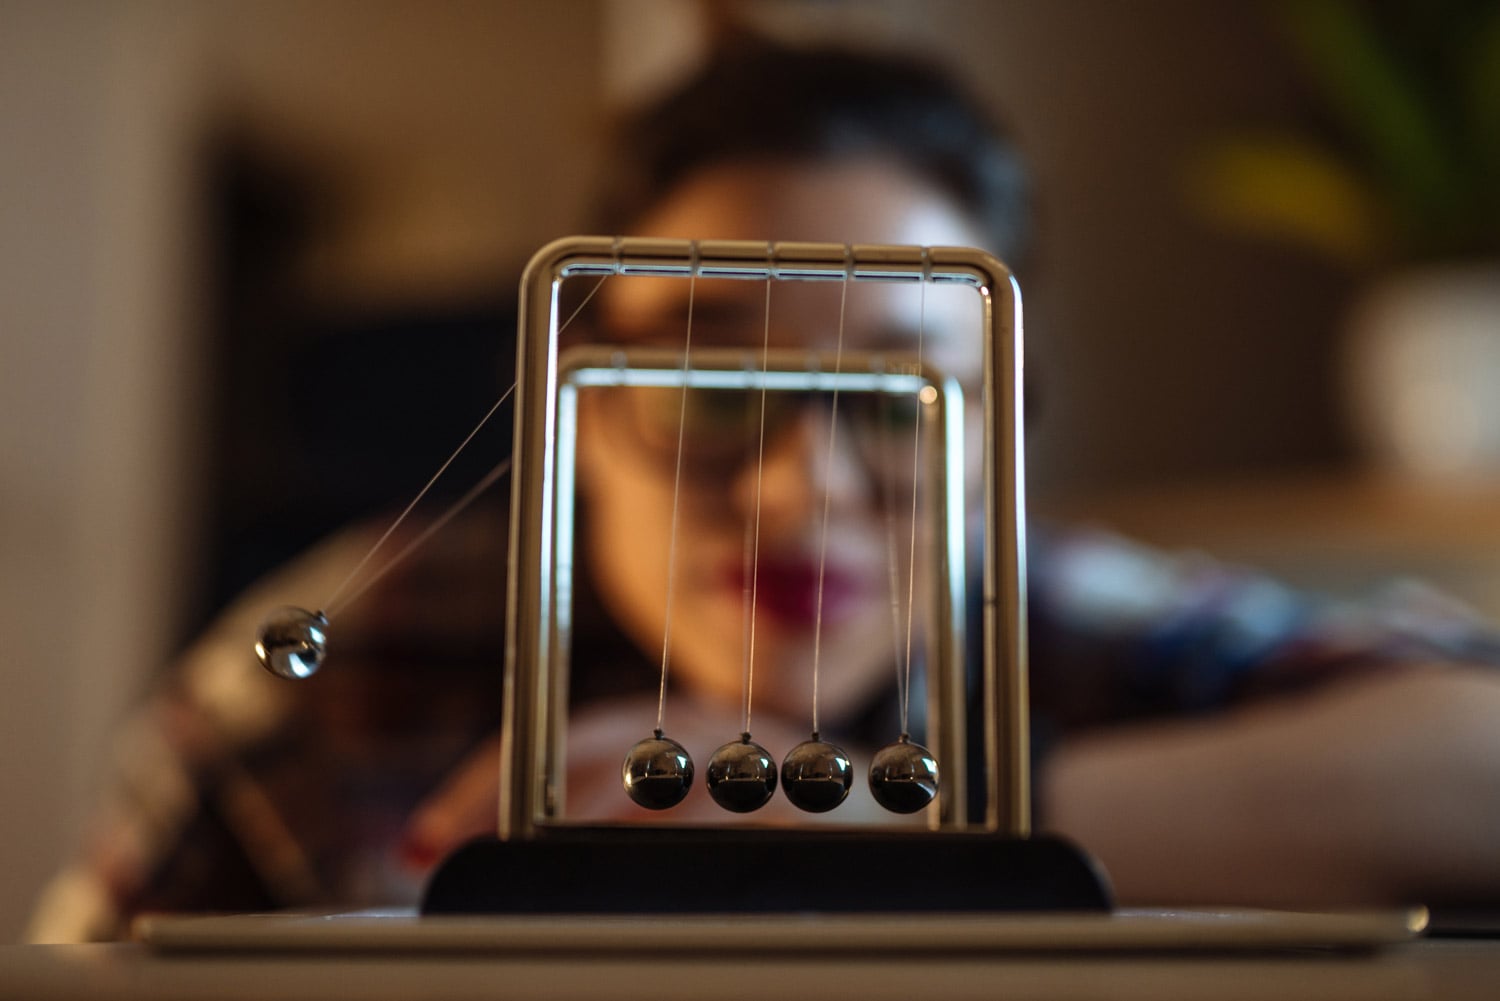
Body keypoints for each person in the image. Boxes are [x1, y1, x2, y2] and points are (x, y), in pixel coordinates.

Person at [29, 36, 1500, 942]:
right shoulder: (335, 662)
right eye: (710, 388)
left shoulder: (1061, 617)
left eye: (900, 399)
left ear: (1002, 432)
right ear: (570, 413)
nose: (805, 495)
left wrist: (893, 824)